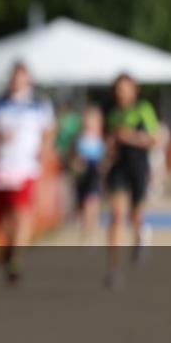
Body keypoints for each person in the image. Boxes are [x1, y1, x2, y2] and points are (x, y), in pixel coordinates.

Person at [0, 62, 55, 284]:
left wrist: (44, 151)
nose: (18, 82)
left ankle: (16, 260)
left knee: (22, 214)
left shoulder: (39, 105)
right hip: (1, 168)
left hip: (26, 168)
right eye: (15, 77)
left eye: (22, 77)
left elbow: (48, 132)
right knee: (2, 219)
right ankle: (10, 246)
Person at [104, 73, 160, 288]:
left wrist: (131, 137)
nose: (121, 93)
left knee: (136, 214)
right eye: (118, 89)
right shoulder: (112, 112)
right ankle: (113, 269)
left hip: (138, 167)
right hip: (118, 167)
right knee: (117, 216)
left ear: (134, 90)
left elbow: (155, 139)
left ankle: (140, 236)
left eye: (125, 88)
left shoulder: (143, 109)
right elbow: (109, 141)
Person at [71, 104, 105, 244]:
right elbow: (74, 158)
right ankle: (87, 227)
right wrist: (77, 164)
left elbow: (105, 158)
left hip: (94, 174)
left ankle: (90, 230)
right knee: (83, 204)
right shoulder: (79, 139)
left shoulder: (100, 139)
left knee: (91, 201)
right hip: (82, 175)